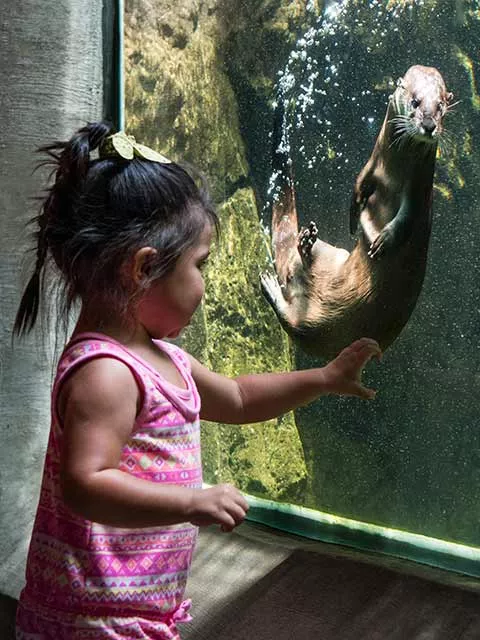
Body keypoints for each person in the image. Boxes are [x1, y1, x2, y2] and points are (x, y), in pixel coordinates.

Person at [14, 122, 381, 640]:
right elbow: (86, 483)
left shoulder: (160, 357)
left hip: (135, 612)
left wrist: (321, 378)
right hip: (91, 622)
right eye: (200, 264)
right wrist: (191, 502)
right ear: (143, 269)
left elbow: (236, 397)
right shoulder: (107, 373)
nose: (206, 284)